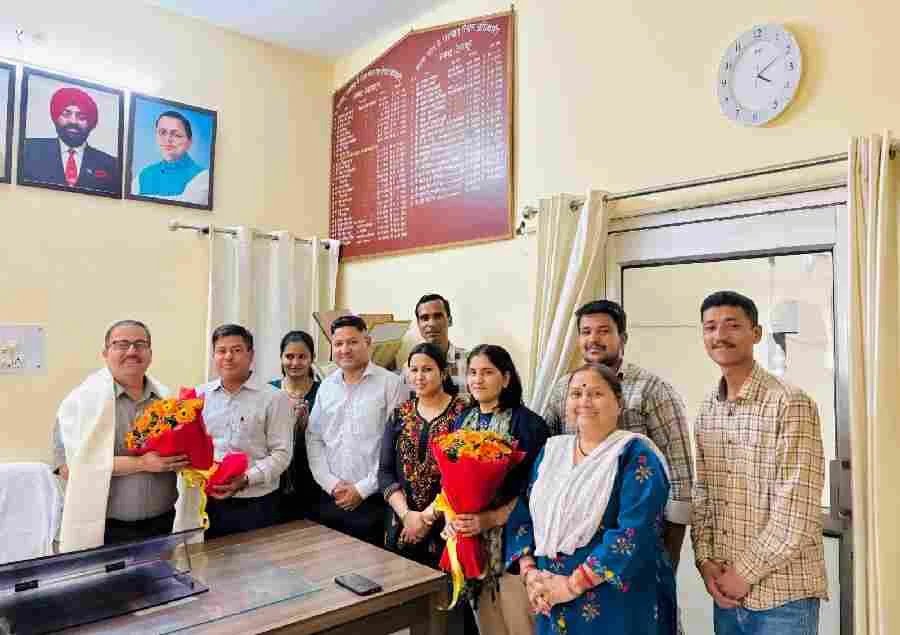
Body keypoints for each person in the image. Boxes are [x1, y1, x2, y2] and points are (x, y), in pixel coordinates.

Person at [692, 291, 827, 634]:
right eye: (710, 327)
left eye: (732, 325)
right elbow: (703, 495)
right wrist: (705, 562)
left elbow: (796, 510)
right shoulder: (707, 409)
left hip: (783, 598)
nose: (720, 335)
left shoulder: (790, 403)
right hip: (726, 593)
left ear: (756, 333)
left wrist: (743, 574)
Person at [506, 363, 677, 634]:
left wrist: (571, 585)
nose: (584, 401)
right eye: (576, 394)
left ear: (618, 403)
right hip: (551, 597)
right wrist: (530, 574)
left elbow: (634, 532)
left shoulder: (635, 456)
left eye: (596, 394)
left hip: (615, 604)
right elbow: (524, 513)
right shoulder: (552, 453)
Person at [541, 299, 693, 569]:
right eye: (586, 332)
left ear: (622, 338)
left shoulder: (652, 389)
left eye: (603, 331)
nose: (593, 339)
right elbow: (549, 460)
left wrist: (670, 556)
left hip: (634, 535)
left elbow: (679, 472)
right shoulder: (564, 389)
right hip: (572, 540)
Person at [53, 320, 190, 551]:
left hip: (162, 524)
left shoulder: (168, 400)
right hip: (104, 530)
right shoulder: (79, 404)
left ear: (150, 353)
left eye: (140, 344)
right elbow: (68, 468)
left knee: (162, 576)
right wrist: (141, 463)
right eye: (121, 344)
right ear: (105, 353)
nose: (132, 351)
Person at [448, 344, 549, 635]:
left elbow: (540, 491)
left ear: (506, 378)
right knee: (487, 625)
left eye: (487, 372)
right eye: (472, 373)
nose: (477, 380)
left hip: (516, 545)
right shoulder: (462, 420)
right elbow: (451, 481)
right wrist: (455, 518)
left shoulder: (529, 425)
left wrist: (491, 518)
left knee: (520, 624)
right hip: (472, 543)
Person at [307, 315, 404, 545]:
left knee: (371, 564)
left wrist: (361, 489)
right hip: (331, 496)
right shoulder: (326, 386)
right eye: (338, 344)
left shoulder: (390, 384)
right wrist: (330, 483)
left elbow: (396, 444)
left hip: (373, 499)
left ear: (367, 342)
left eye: (352, 342)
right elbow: (314, 438)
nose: (345, 349)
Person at [197, 324, 294, 539]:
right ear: (214, 356)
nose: (228, 357)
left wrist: (247, 479)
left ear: (251, 355)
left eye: (236, 350)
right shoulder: (200, 395)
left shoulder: (274, 398)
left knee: (257, 560)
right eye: (221, 351)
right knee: (211, 558)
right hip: (208, 502)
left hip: (257, 503)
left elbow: (282, 454)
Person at [379, 342, 468, 566]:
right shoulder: (399, 414)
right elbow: (385, 472)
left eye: (427, 369)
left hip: (444, 524)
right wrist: (407, 515)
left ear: (443, 373)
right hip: (401, 523)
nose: (419, 376)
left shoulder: (462, 415)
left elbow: (462, 477)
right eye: (414, 369)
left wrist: (427, 518)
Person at [21, 86, 120, 194]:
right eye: (66, 114)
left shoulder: (111, 165)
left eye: (81, 117)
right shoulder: (28, 149)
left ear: (91, 123)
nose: (73, 121)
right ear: (56, 117)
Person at [269, 330, 321, 522]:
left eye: (302, 357)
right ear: (281, 358)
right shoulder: (269, 391)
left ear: (312, 358)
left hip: (313, 478)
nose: (295, 363)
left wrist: (307, 426)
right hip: (275, 479)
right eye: (289, 356)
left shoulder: (324, 391)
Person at [133, 110, 209, 205]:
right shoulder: (143, 175)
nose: (168, 139)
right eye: (162, 132)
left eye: (177, 135)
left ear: (189, 142)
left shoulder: (203, 177)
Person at [401, 294, 469, 397]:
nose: (431, 323)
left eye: (437, 316)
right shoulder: (408, 368)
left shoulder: (469, 361)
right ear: (418, 324)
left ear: (450, 320)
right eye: (425, 318)